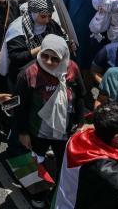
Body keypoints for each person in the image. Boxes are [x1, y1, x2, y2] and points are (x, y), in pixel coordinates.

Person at [14, 35, 87, 181]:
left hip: (64, 130)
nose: (48, 62)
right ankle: (37, 196)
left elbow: (80, 96)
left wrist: (80, 124)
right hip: (38, 131)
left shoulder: (72, 68)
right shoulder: (28, 73)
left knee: (64, 165)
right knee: (34, 165)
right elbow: (20, 106)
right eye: (45, 55)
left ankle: (58, 196)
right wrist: (23, 132)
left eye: (55, 59)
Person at [62, 0, 108, 70]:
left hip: (95, 37)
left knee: (91, 67)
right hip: (74, 36)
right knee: (72, 68)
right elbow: (62, 10)